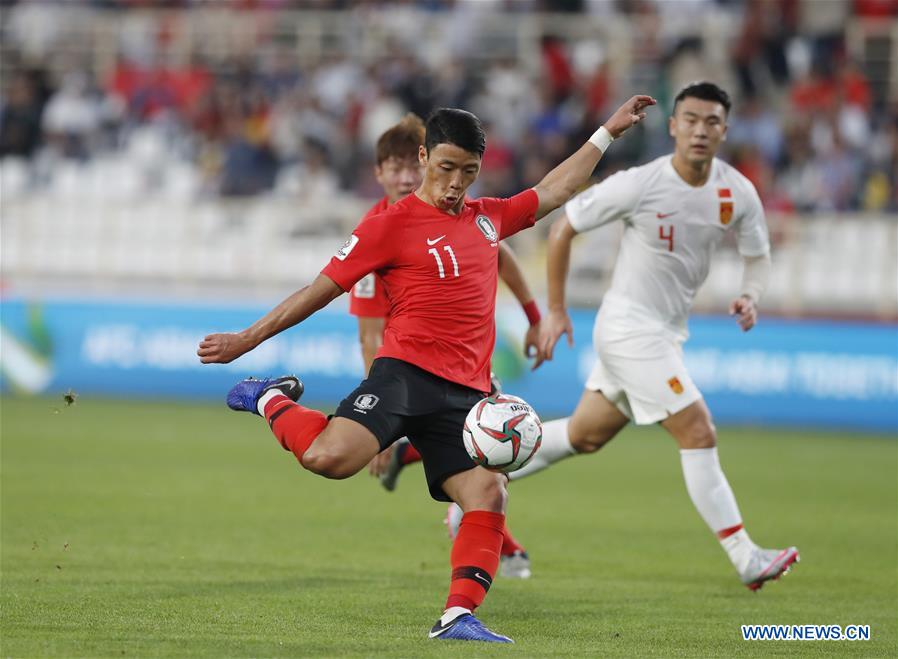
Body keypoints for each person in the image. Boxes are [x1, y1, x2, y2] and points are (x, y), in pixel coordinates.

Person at [197, 94, 655, 643]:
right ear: (423, 157)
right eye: (445, 168)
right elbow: (317, 292)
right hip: (403, 376)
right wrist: (247, 339)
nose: (456, 183)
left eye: (468, 171)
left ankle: (458, 615)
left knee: (488, 494)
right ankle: (269, 397)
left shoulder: (489, 220)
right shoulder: (387, 226)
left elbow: (557, 189)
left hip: (467, 397)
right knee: (328, 458)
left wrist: (606, 131)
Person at [505, 82, 798, 592]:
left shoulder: (737, 192)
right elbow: (563, 227)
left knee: (582, 436)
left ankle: (481, 477)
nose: (700, 130)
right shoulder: (641, 183)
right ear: (673, 126)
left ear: (725, 130)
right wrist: (555, 310)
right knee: (698, 430)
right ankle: (744, 556)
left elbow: (758, 255)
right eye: (690, 119)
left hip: (663, 333)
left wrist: (751, 295)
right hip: (628, 330)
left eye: (711, 122)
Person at [353, 114, 538, 579]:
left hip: (462, 362)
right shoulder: (376, 230)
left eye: (407, 167)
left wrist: (535, 314)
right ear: (379, 173)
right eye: (390, 168)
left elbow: (503, 255)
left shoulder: (461, 212)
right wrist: (375, 410)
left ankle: (416, 462)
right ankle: (493, 541)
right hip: (410, 366)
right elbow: (370, 332)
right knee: (494, 450)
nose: (402, 177)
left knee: (492, 455)